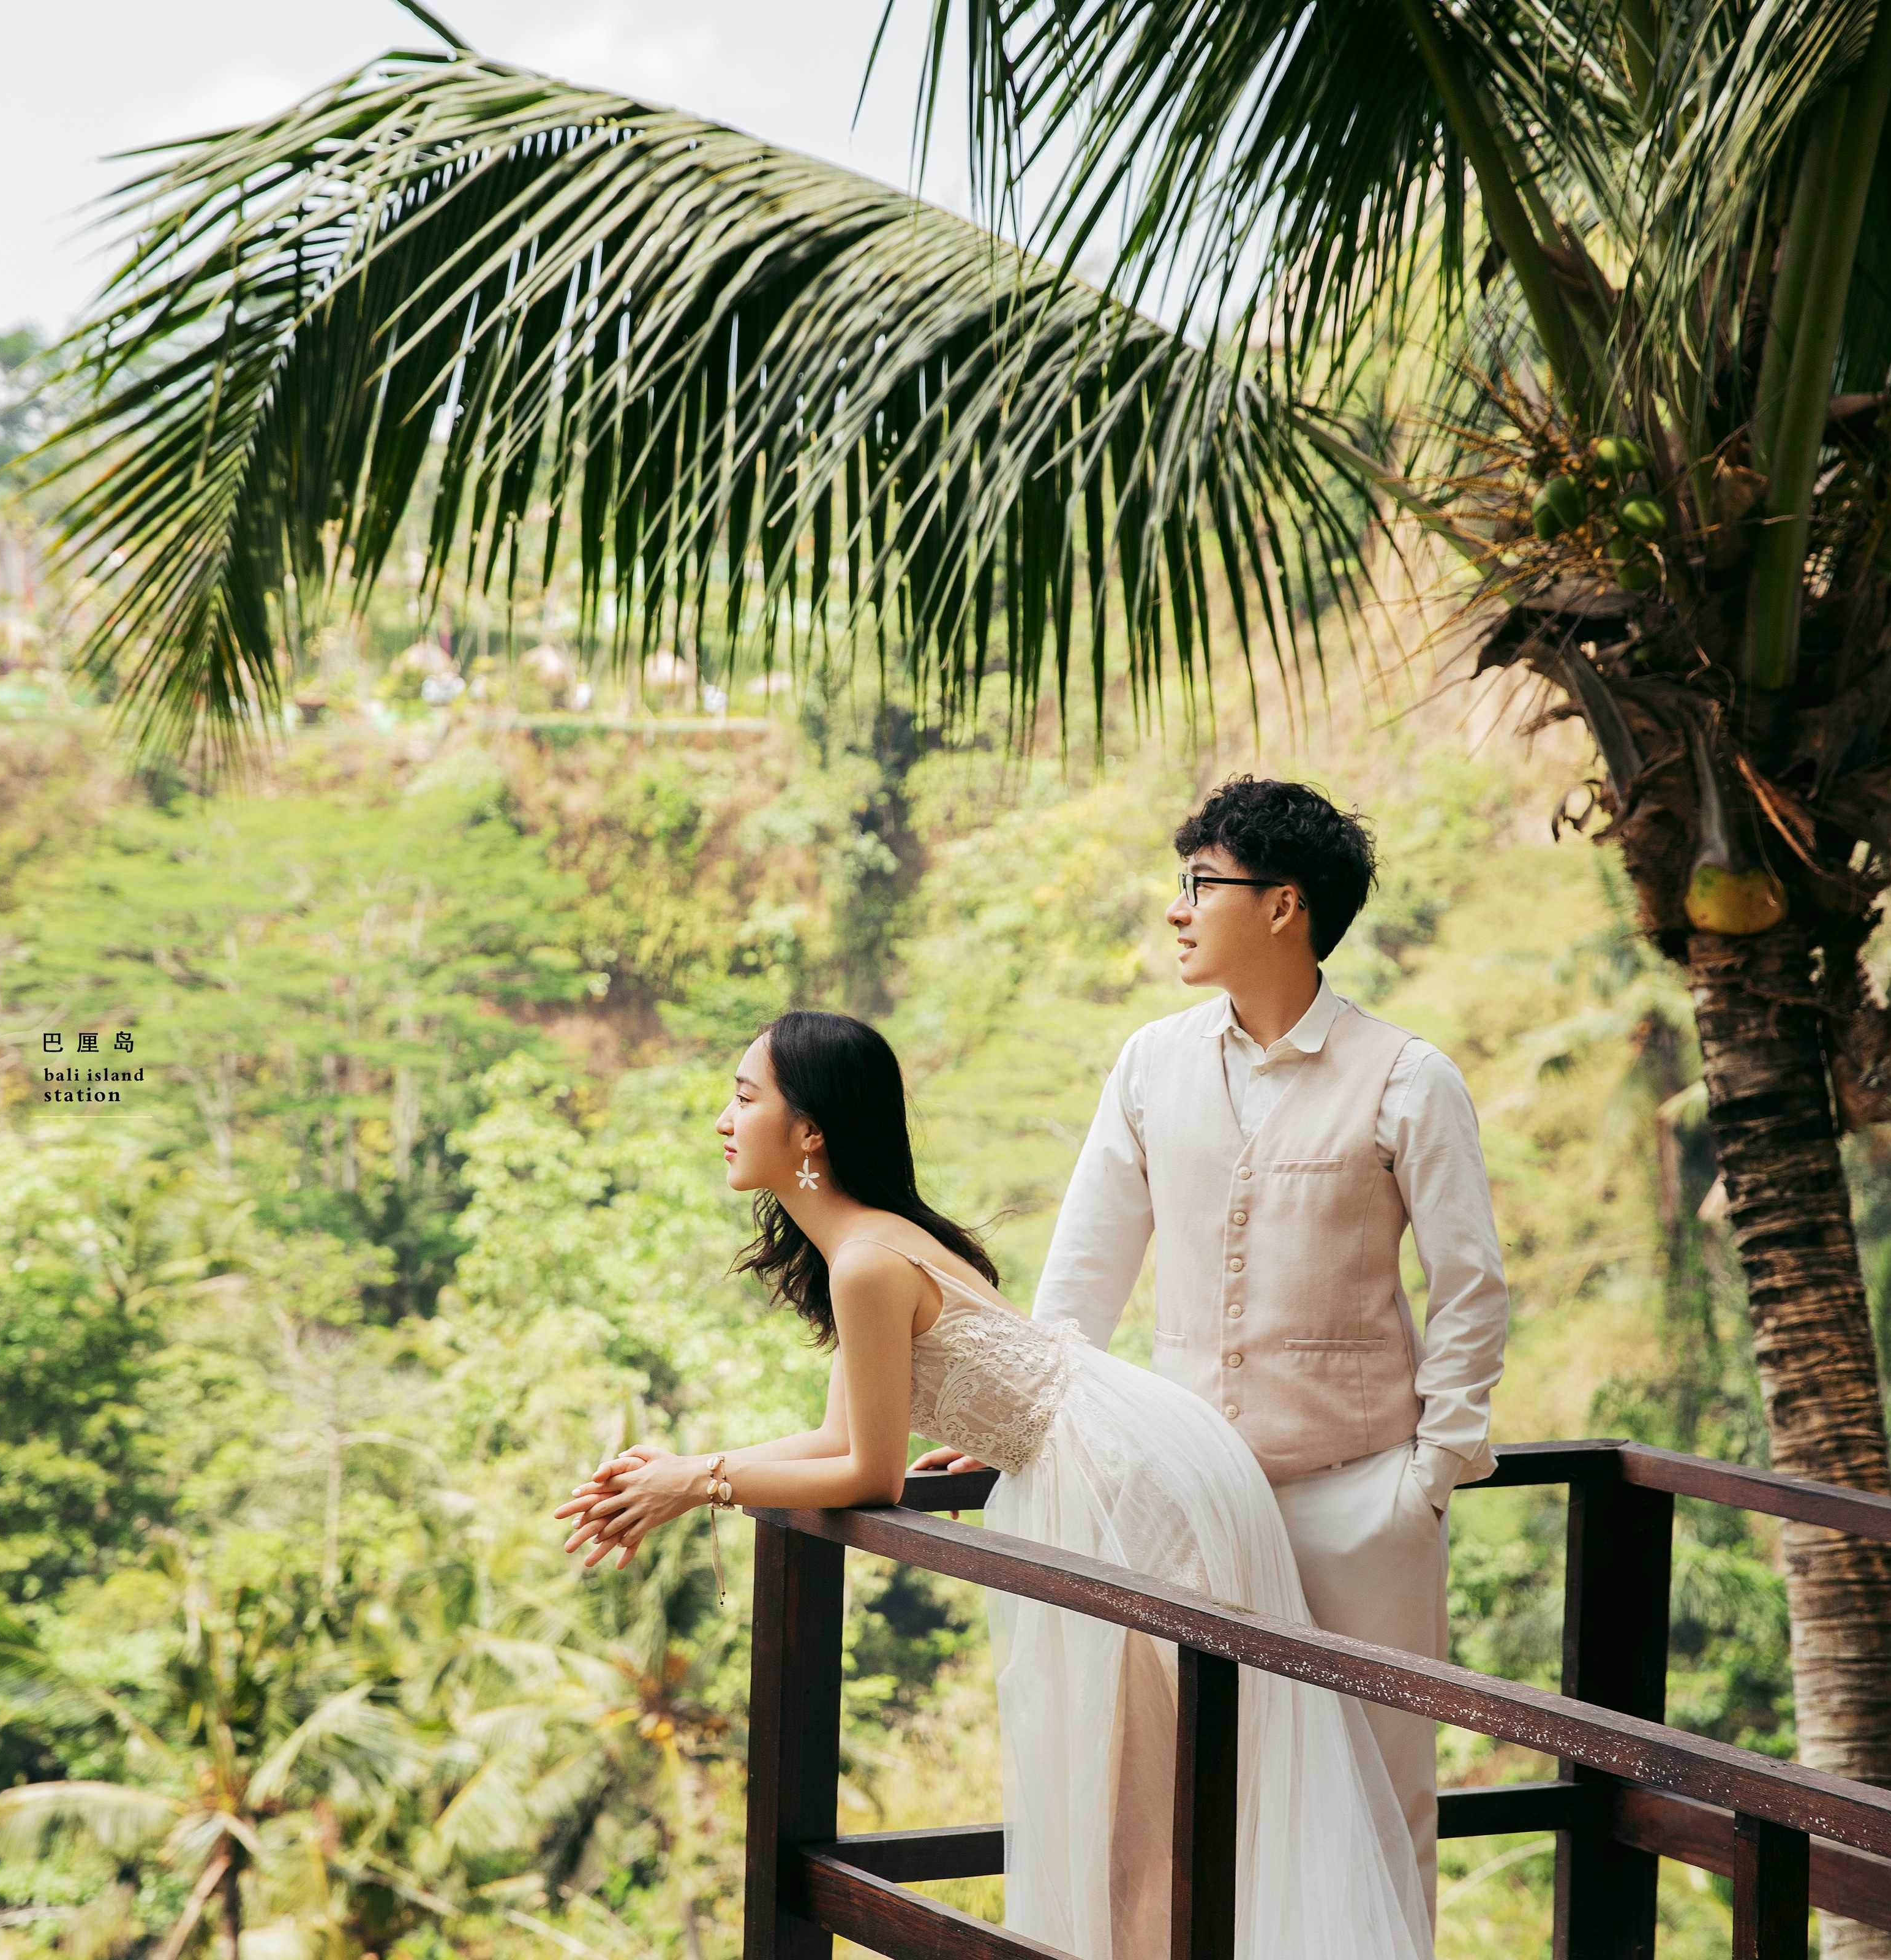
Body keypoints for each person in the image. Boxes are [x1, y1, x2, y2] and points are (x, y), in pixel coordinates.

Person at [554, 1008, 1431, 1959]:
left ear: (810, 1132)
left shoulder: (867, 1261)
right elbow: (838, 1435)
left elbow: (869, 1473)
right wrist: (688, 1471)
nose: (725, 1121)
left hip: (1127, 1482)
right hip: (1116, 1454)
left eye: (744, 1097)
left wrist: (703, 1482)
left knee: (1142, 1816)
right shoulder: (863, 1246)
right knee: (1144, 1804)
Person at [917, 775, 1512, 1912]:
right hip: (1185, 1502)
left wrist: (1432, 1475)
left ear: (1284, 906)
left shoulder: (1408, 1077)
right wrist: (1022, 1429)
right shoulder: (1151, 1062)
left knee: (1381, 1808)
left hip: (1358, 1504)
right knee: (1188, 1805)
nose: (1177, 909)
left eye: (1202, 885)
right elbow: (1084, 1276)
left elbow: (1471, 1286)